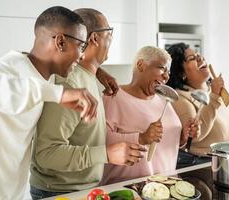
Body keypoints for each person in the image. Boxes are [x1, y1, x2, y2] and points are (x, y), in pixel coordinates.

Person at [0, 6, 101, 200]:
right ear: (60, 42)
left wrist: (100, 73)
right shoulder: (6, 69)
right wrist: (58, 94)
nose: (82, 55)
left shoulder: (45, 77)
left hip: (13, 192)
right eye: (81, 46)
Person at [29, 8, 146, 200]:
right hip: (60, 192)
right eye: (109, 33)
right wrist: (107, 153)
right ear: (94, 39)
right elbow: (47, 154)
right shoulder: (69, 83)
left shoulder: (86, 75)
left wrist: (98, 71)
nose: (111, 40)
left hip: (79, 188)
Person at [101, 46, 200, 185]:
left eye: (168, 72)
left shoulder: (163, 99)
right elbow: (99, 140)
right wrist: (141, 138)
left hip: (166, 186)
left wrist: (183, 137)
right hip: (128, 189)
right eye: (162, 68)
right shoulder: (113, 96)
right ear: (141, 65)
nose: (166, 76)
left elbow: (166, 142)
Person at [166, 42, 229, 168]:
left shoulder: (213, 90)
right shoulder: (181, 99)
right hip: (209, 168)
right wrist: (214, 97)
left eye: (198, 55)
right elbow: (195, 138)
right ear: (181, 73)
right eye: (192, 58)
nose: (200, 58)